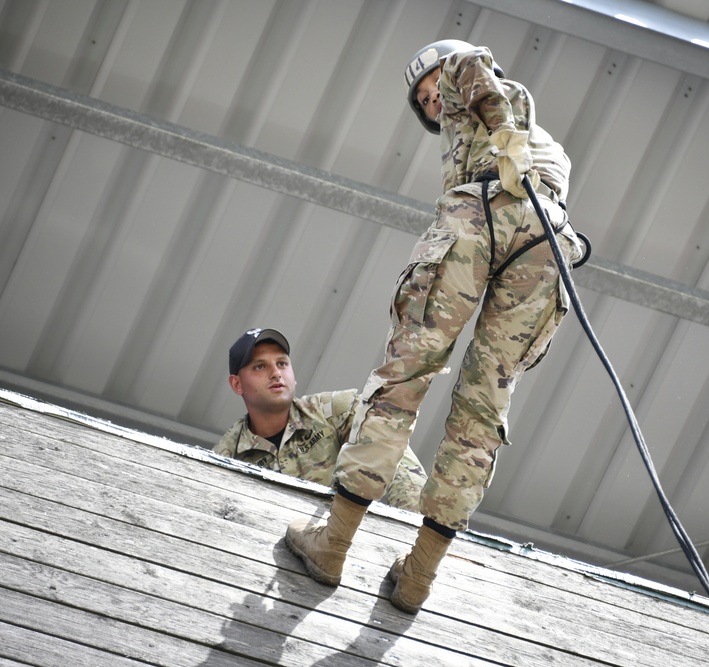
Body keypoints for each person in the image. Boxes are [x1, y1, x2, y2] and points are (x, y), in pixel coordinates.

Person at [285, 40, 584, 612]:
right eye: (423, 101)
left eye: (431, 92)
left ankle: (334, 544)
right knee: (485, 405)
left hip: (482, 216)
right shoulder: (545, 142)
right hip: (548, 242)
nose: (431, 103)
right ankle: (418, 577)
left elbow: (470, 61)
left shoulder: (478, 95)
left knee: (405, 373)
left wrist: (504, 140)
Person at [213, 327, 428, 512]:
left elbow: (394, 456)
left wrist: (418, 539)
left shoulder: (336, 412)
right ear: (237, 384)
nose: (276, 373)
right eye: (260, 366)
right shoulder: (226, 456)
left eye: (282, 363)